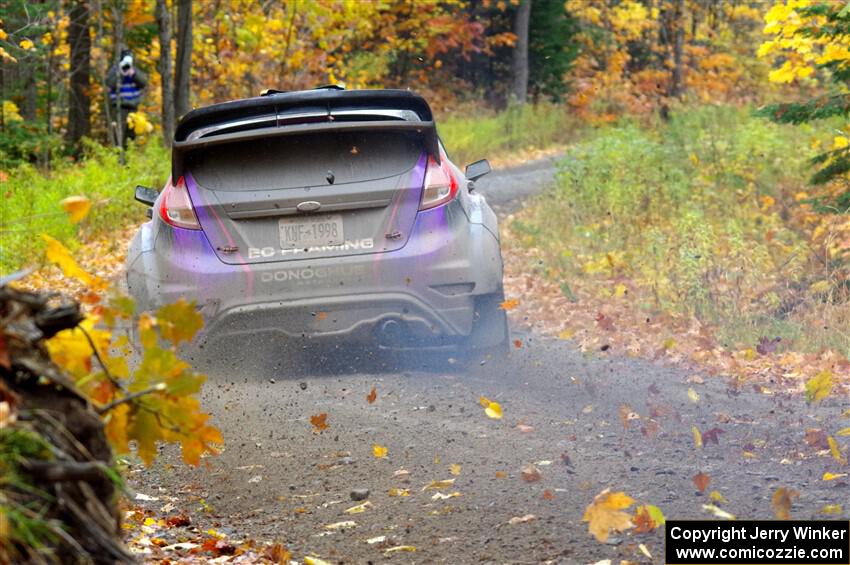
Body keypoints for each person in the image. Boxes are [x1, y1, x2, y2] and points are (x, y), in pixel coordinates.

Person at [106, 48, 147, 148]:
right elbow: (109, 84)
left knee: (131, 135)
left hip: (133, 108)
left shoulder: (134, 70)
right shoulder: (115, 70)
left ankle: (129, 156)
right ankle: (118, 157)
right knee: (118, 134)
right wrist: (120, 73)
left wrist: (134, 74)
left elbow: (143, 83)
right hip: (119, 108)